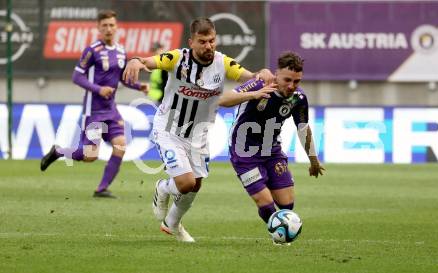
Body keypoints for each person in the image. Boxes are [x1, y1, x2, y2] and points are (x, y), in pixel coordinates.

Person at [123, 17, 274, 242]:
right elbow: (147, 61)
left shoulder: (223, 63)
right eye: (202, 42)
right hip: (169, 129)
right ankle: (163, 188)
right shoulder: (176, 58)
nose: (209, 46)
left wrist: (260, 73)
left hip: (199, 134)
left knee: (197, 184)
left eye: (212, 41)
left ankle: (172, 224)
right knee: (186, 183)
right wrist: (136, 61)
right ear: (191, 42)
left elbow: (250, 76)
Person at [40, 10, 148, 198]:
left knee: (121, 145)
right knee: (90, 156)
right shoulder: (92, 50)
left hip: (111, 110)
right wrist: (99, 89)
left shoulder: (121, 51)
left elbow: (123, 78)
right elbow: (76, 77)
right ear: (98, 28)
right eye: (104, 25)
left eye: (111, 25)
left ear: (116, 27)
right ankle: (58, 151)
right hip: (94, 110)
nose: (108, 29)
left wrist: (140, 86)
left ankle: (102, 189)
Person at [219, 51, 325, 238]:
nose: (292, 86)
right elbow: (223, 100)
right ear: (277, 74)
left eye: (297, 81)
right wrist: (254, 94)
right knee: (266, 203)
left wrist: (313, 160)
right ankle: (280, 235)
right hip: (244, 153)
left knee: (287, 204)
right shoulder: (260, 84)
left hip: (272, 151)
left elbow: (303, 129)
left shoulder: (298, 98)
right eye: (287, 80)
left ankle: (281, 229)